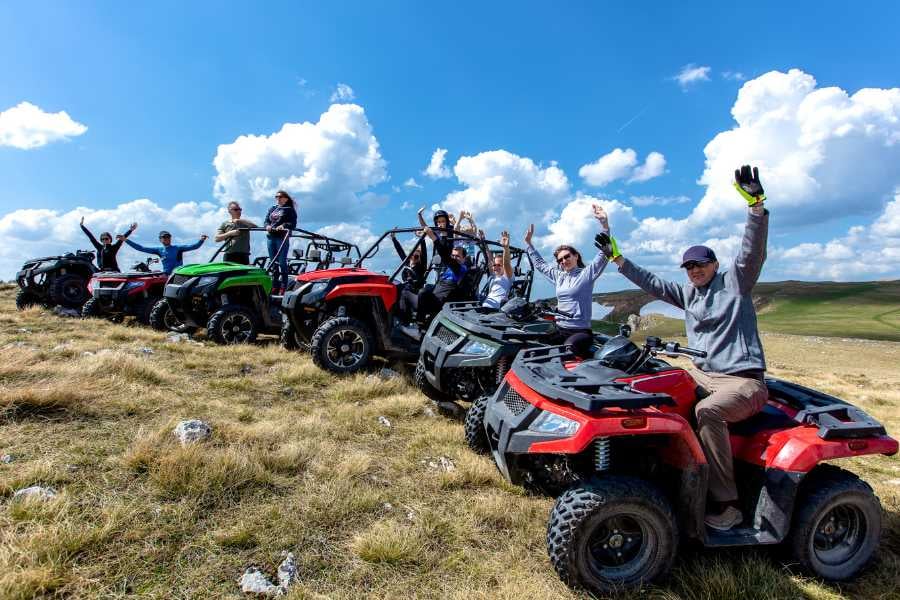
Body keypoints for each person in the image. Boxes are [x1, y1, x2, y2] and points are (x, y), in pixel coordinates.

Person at [600, 165, 769, 532]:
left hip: (742, 381)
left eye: (700, 264)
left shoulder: (736, 283)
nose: (693, 269)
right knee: (653, 383)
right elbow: (652, 282)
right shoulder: (688, 293)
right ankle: (655, 473)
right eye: (688, 265)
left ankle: (727, 504)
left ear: (714, 264)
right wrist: (617, 259)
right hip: (702, 372)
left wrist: (755, 207)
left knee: (709, 412)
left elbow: (751, 253)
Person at [525, 204, 610, 358]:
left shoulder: (586, 275)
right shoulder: (559, 277)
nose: (563, 261)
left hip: (580, 332)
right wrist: (529, 245)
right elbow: (541, 266)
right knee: (533, 348)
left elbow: (603, 255)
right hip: (559, 328)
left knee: (566, 352)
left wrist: (605, 225)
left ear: (575, 256)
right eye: (560, 260)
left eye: (567, 256)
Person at [399, 225, 468, 339]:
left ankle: (418, 328)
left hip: (438, 304)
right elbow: (444, 254)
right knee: (405, 291)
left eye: (458, 256)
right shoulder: (448, 269)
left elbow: (445, 255)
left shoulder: (460, 269)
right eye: (453, 256)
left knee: (423, 292)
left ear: (464, 259)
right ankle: (405, 324)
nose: (455, 258)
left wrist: (433, 237)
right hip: (432, 299)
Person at [122, 226, 208, 274]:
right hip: (166, 275)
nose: (167, 238)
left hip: (178, 274)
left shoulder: (178, 248)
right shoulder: (159, 250)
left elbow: (194, 246)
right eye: (164, 237)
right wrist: (126, 240)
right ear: (160, 239)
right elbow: (141, 248)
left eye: (168, 237)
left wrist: (201, 240)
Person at [265, 190, 298, 292]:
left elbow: (292, 224)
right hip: (271, 236)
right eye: (276, 197)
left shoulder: (289, 210)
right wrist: (267, 226)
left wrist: (283, 225)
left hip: (282, 237)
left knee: (282, 261)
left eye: (280, 197)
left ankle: (284, 285)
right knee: (273, 261)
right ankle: (275, 285)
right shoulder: (272, 208)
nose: (278, 199)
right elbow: (266, 220)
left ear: (286, 198)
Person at [481, 230, 513, 309]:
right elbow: (489, 258)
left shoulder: (508, 276)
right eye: (494, 265)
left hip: (496, 311)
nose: (495, 267)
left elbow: (506, 263)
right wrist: (483, 242)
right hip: (485, 308)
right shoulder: (494, 275)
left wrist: (506, 248)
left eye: (499, 265)